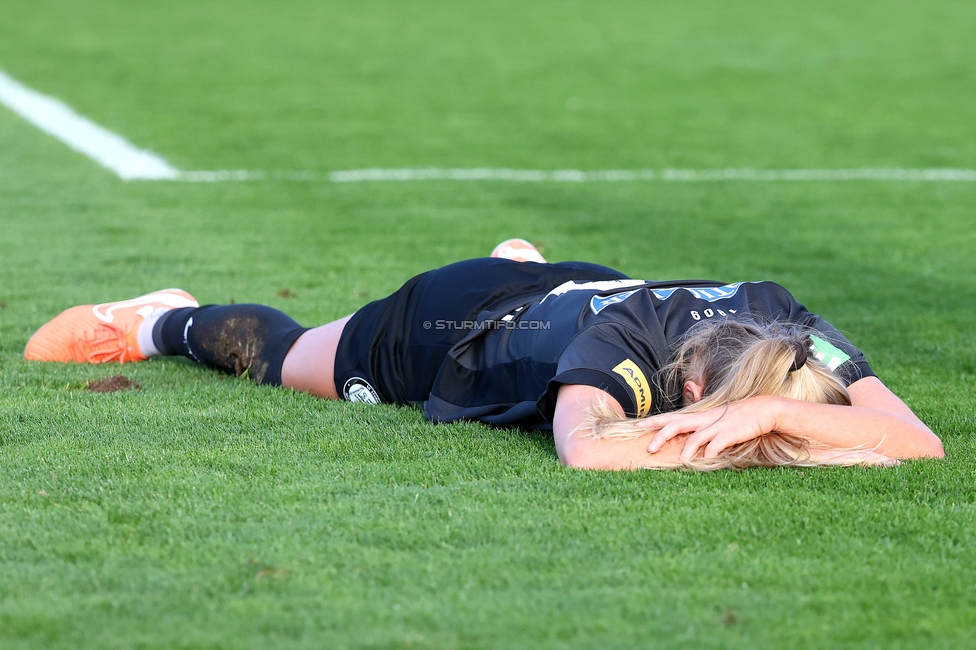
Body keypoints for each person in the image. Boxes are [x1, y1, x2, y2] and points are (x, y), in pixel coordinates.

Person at [25, 239, 944, 471]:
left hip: (584, 291)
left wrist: (775, 411)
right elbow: (587, 448)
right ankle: (161, 322)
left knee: (552, 302)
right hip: (451, 323)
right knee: (289, 359)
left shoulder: (787, 326)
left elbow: (919, 440)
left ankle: (525, 267)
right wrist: (735, 433)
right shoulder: (622, 357)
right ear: (694, 387)